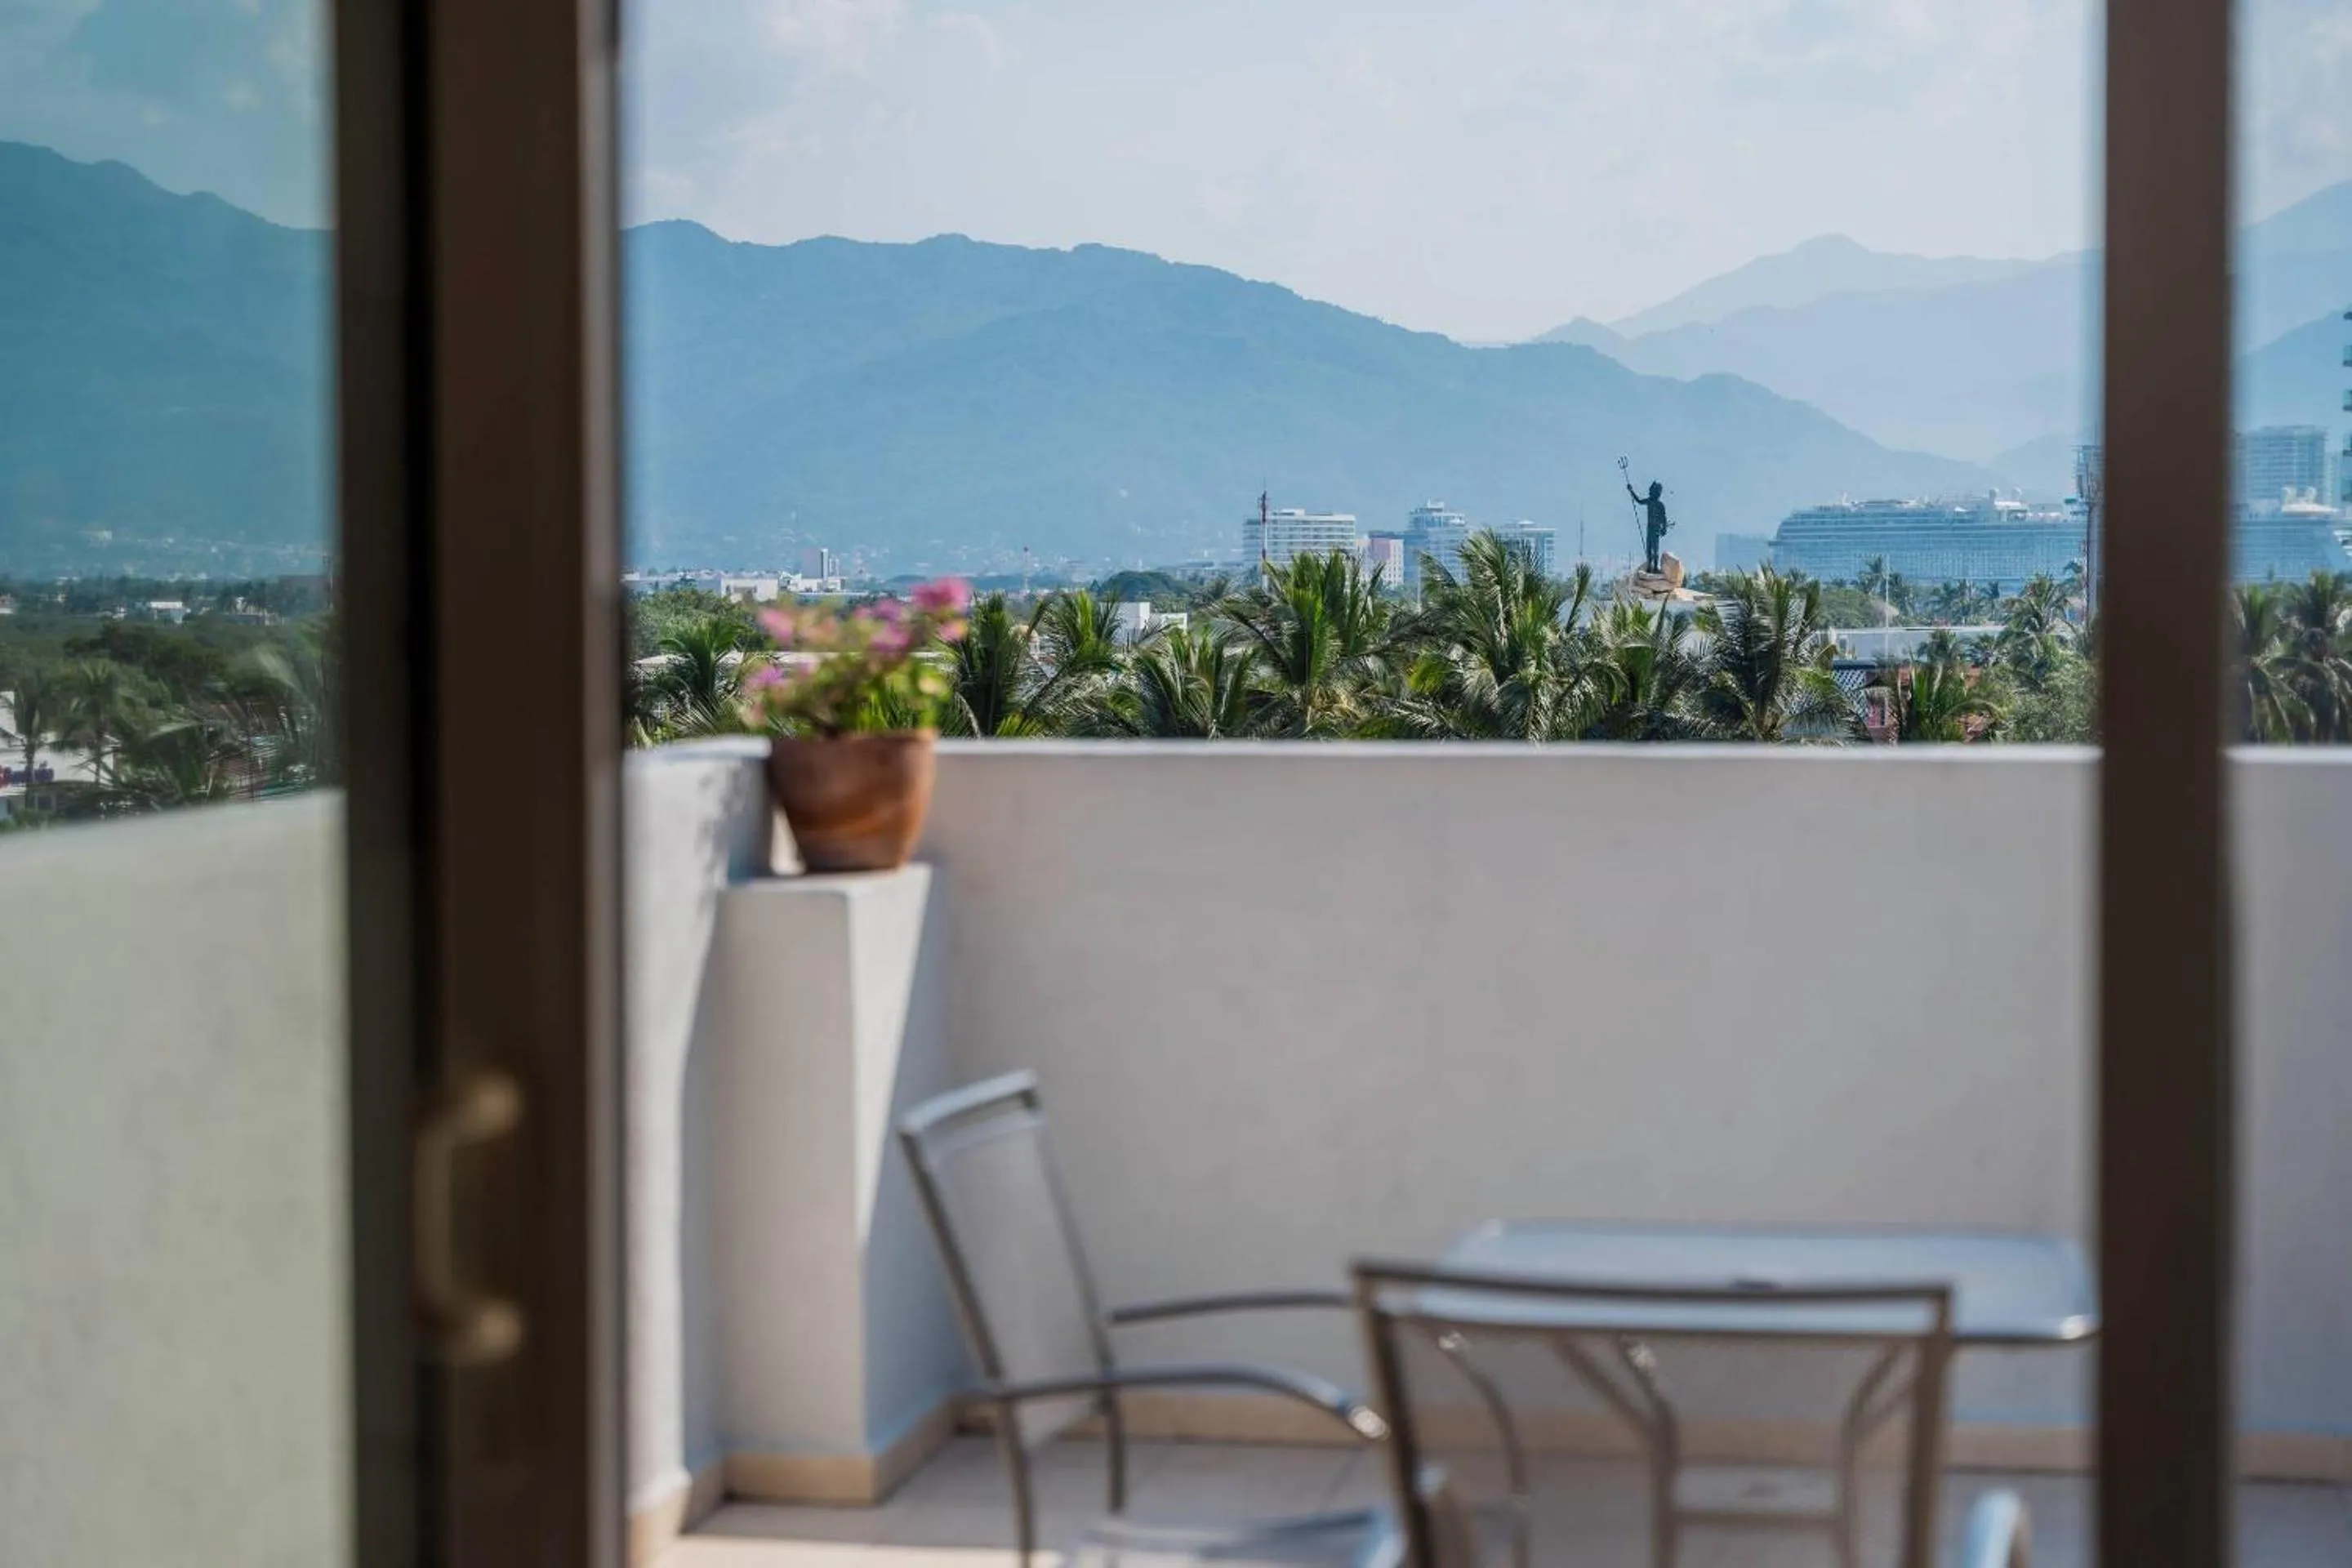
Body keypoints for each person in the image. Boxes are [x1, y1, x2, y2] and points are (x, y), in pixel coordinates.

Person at [1626, 479, 1673, 574]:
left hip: (1656, 529)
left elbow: (1663, 518)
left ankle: (1655, 567)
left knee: (1655, 549)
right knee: (1649, 548)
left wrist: (1664, 528)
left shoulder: (1660, 505)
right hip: (1650, 528)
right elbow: (1639, 501)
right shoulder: (1650, 501)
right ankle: (1650, 565)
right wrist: (1631, 491)